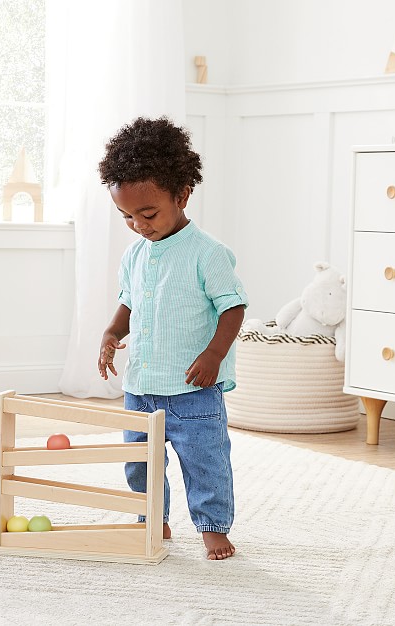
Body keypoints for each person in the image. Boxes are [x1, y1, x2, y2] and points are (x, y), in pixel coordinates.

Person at [97, 117, 248, 560]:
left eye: (148, 213)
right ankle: (152, 519)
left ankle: (213, 527)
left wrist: (214, 355)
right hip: (141, 386)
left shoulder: (208, 253)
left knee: (205, 462)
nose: (138, 224)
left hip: (193, 389)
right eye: (126, 216)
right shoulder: (134, 254)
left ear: (182, 195)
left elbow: (233, 307)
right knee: (140, 464)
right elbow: (130, 304)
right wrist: (110, 332)